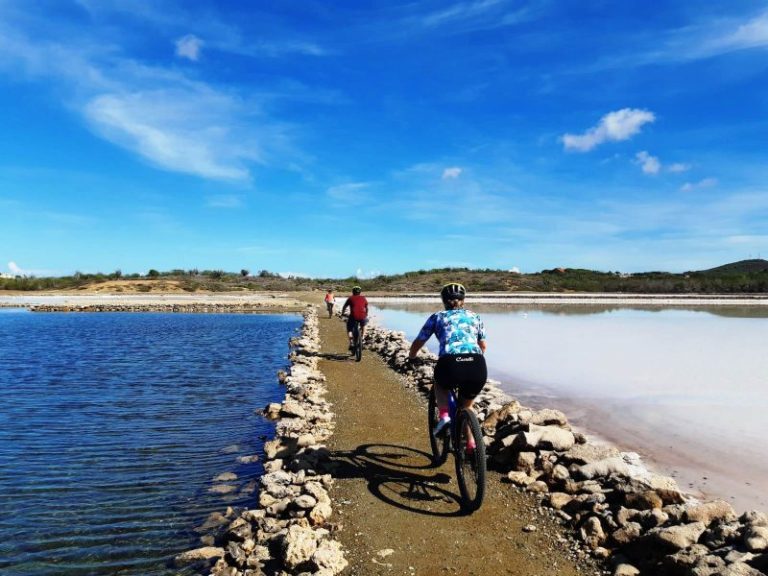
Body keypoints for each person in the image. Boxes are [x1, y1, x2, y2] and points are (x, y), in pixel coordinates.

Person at [408, 283, 487, 446]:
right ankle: (472, 444)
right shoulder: (475, 317)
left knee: (439, 383)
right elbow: (483, 346)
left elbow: (419, 341)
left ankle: (444, 416)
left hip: (450, 364)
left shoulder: (437, 317)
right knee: (466, 406)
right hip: (478, 365)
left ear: (444, 301)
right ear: (463, 300)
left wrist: (412, 356)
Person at [341, 286, 369, 352]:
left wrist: (342, 313)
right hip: (362, 316)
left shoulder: (350, 298)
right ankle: (363, 338)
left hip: (353, 316)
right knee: (364, 325)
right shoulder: (363, 298)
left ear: (353, 292)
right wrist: (366, 314)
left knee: (349, 328)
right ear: (360, 292)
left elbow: (344, 306)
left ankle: (351, 342)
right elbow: (366, 307)